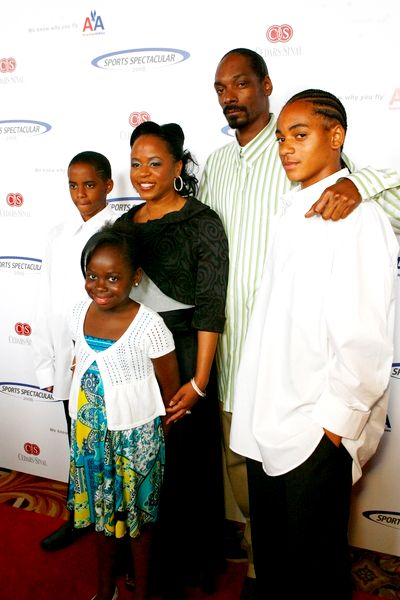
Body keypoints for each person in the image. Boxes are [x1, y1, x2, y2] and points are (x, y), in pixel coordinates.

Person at [198, 48, 400, 600]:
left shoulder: (353, 211)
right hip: (267, 416)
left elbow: (362, 336)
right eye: (283, 137)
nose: (286, 147)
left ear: (336, 137)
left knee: (315, 569)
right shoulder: (293, 207)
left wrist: (334, 426)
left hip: (315, 427)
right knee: (279, 560)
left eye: (301, 135)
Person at [116, 121, 229, 599]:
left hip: (186, 355)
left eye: (155, 163)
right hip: (137, 356)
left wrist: (200, 381)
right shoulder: (124, 227)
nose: (143, 173)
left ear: (178, 166)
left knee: (185, 465)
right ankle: (144, 562)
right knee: (144, 461)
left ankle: (189, 566)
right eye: (137, 164)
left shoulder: (201, 221)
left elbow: (210, 303)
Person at [67, 221, 180, 600]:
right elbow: (79, 364)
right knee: (100, 520)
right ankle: (105, 589)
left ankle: (143, 590)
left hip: (135, 442)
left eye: (112, 277)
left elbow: (170, 389)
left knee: (138, 523)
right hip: (90, 438)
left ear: (135, 278)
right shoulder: (78, 312)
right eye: (92, 275)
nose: (99, 286)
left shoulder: (150, 325)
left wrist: (157, 433)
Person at [32, 151, 118, 552]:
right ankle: (77, 516)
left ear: (108, 186)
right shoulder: (57, 234)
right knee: (75, 443)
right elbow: (47, 299)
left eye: (89, 184)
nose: (80, 193)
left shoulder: (118, 230)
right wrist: (46, 356)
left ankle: (113, 527)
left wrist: (88, 350)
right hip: (63, 355)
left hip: (98, 356)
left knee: (105, 444)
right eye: (73, 184)